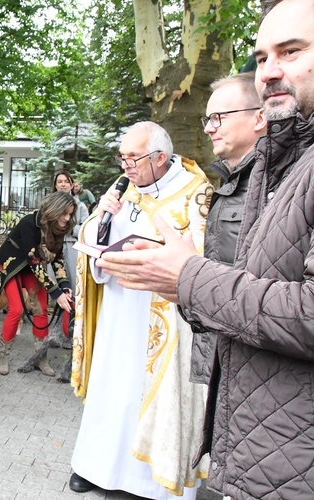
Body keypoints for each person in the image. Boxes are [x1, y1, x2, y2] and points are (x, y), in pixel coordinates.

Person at [93, 1, 314, 497]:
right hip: (251, 424)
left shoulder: (204, 187)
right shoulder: (271, 170)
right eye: (260, 58)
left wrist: (187, 278)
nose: (270, 71)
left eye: (292, 51)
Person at [68, 122, 211, 498]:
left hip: (161, 319)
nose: (125, 165)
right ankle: (93, 467)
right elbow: (89, 239)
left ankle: (149, 483)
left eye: (133, 157)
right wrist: (102, 217)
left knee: (149, 395)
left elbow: (204, 257)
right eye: (123, 156)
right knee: (110, 389)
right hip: (118, 310)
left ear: (161, 157)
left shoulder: (196, 195)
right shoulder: (124, 190)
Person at [191, 72, 265, 384]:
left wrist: (189, 278)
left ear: (259, 118)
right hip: (224, 354)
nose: (209, 128)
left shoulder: (275, 186)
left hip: (255, 366)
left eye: (219, 117)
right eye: (207, 119)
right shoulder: (232, 183)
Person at [0, 191, 74, 377]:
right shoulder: (30, 223)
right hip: (12, 265)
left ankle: (40, 357)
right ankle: (3, 355)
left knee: (41, 310)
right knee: (16, 310)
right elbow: (34, 260)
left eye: (70, 214)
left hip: (32, 268)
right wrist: (56, 293)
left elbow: (57, 258)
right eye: (64, 213)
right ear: (54, 209)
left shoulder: (59, 227)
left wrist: (64, 285)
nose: (67, 218)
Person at [51, 170, 89, 289]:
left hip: (73, 247)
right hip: (52, 247)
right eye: (60, 182)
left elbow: (86, 229)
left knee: (72, 283)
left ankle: (70, 305)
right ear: (55, 186)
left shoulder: (80, 206)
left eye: (66, 182)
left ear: (71, 185)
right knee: (53, 281)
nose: (63, 184)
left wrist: (70, 229)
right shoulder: (49, 204)